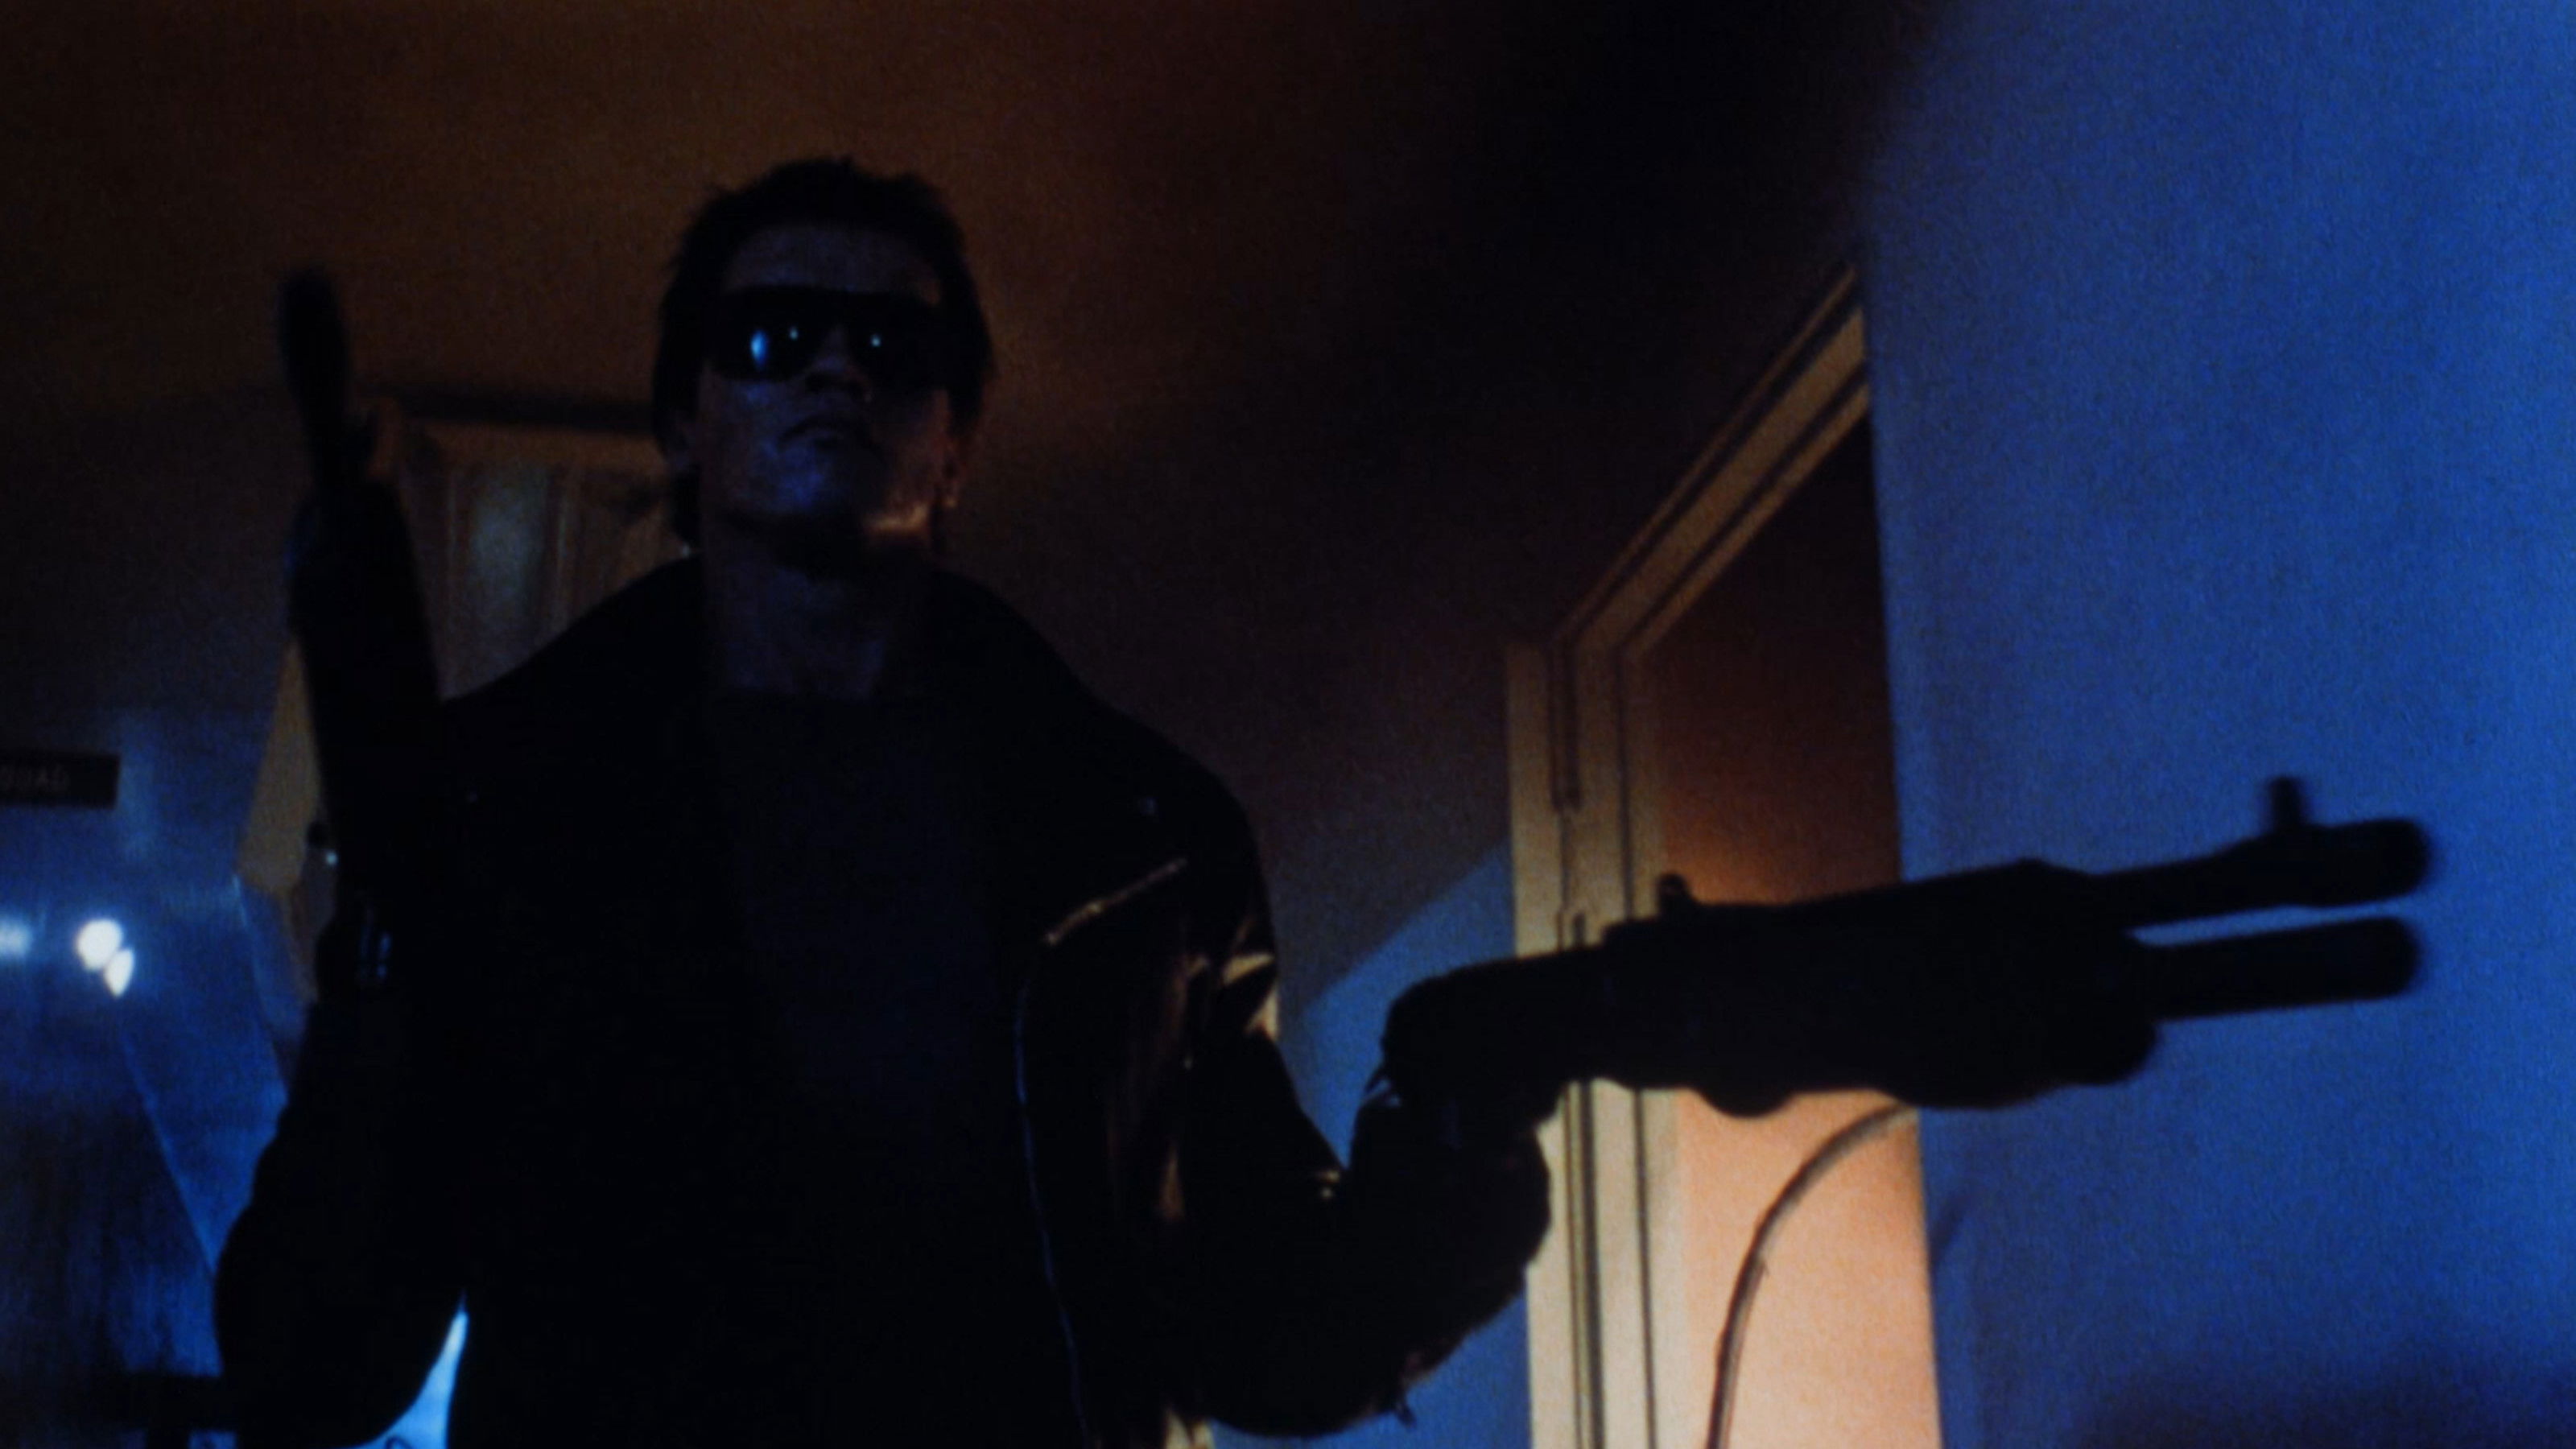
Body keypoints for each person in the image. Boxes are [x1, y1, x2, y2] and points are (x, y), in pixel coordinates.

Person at [217, 159, 1552, 1449]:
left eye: (893, 348)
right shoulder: (503, 808)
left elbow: (1263, 1332)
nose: (836, 371)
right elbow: (314, 1365)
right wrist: (390, 941)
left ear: (956, 443)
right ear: (685, 423)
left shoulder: (1144, 840)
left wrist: (1463, 1134)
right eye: (772, 336)